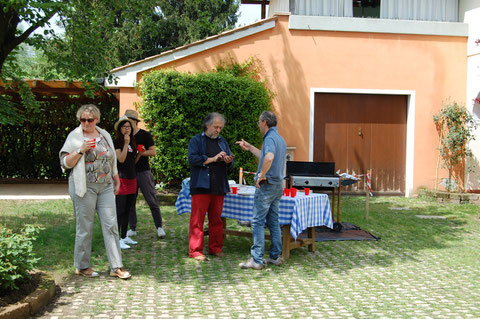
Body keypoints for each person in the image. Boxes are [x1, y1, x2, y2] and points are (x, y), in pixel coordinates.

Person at [59, 104, 131, 279]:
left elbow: (111, 159)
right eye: (82, 120)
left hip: (105, 186)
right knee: (85, 227)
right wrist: (81, 150)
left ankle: (116, 267)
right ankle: (82, 266)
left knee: (111, 225)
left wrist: (116, 178)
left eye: (89, 120)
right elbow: (65, 163)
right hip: (84, 187)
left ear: (97, 119)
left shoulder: (104, 134)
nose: (86, 123)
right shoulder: (75, 137)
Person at [237, 111, 287, 270]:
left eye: (259, 122)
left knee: (258, 222)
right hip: (278, 185)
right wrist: (250, 147)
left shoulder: (270, 138)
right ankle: (275, 257)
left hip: (267, 185)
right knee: (273, 221)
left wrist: (261, 175)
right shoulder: (279, 138)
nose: (258, 125)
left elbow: (269, 157)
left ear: (264, 122)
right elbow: (265, 155)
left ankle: (256, 260)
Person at [188, 112, 234, 261]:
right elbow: (192, 159)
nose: (218, 130)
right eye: (216, 127)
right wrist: (212, 159)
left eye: (220, 127)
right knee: (197, 219)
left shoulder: (222, 141)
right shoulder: (196, 140)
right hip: (201, 185)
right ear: (207, 125)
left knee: (216, 219)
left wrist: (228, 161)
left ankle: (215, 248)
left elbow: (231, 162)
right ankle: (195, 250)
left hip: (219, 185)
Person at [124, 109, 166, 239]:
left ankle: (159, 227)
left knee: (151, 200)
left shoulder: (145, 135)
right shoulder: (125, 136)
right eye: (125, 122)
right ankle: (132, 228)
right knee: (130, 201)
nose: (127, 125)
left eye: (130, 121)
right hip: (129, 172)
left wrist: (141, 153)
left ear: (135, 121)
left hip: (144, 172)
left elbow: (153, 152)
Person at [114, 115, 139, 250]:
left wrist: (139, 153)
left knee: (129, 208)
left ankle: (124, 236)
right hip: (122, 178)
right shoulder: (118, 141)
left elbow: (132, 160)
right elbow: (121, 159)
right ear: (120, 129)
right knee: (120, 209)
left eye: (128, 127)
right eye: (124, 127)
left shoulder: (132, 141)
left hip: (132, 178)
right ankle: (117, 238)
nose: (127, 129)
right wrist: (125, 143)